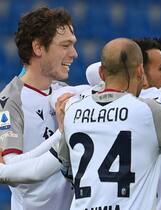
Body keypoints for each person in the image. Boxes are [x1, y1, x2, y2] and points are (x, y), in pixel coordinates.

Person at [54, 38, 161, 210]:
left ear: (102, 74)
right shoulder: (149, 110)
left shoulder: (73, 110)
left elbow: (67, 169)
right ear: (140, 71)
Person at [0, 6, 77, 210]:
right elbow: (13, 172)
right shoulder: (9, 101)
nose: (74, 54)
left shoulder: (64, 93)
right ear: (38, 48)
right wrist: (62, 133)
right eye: (65, 45)